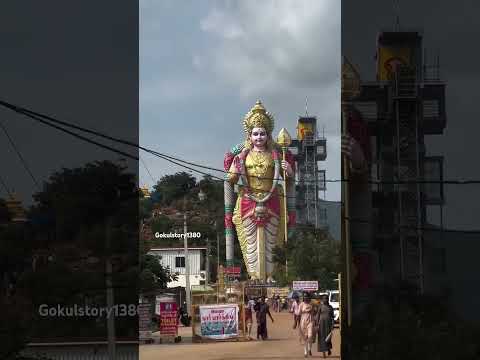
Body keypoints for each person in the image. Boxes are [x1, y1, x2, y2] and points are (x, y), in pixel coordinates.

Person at [224, 100, 296, 281]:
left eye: (262, 133)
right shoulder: (243, 155)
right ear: (249, 135)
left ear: (268, 134)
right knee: (250, 242)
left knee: (273, 240)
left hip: (272, 198)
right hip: (248, 200)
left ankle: (272, 275)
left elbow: (288, 180)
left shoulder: (276, 155)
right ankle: (254, 275)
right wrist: (236, 167)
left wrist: (289, 171)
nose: (259, 137)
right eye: (255, 134)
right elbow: (230, 179)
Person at [298, 292, 315, 357]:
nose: (305, 297)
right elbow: (298, 314)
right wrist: (296, 323)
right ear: (303, 297)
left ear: (309, 297)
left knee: (310, 336)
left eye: (307, 296)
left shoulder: (312, 304)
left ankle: (309, 348)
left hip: (310, 321)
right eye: (304, 296)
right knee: (304, 337)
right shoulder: (301, 304)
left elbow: (315, 312)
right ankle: (305, 351)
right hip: (303, 321)